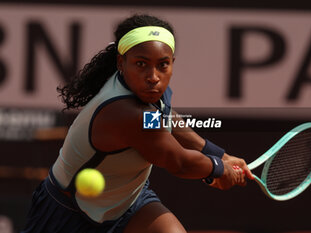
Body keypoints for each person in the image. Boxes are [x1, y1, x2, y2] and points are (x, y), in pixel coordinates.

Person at [21, 14, 254, 233]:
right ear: (122, 62)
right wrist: (218, 169)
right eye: (142, 64)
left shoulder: (148, 91)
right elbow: (178, 162)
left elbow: (167, 118)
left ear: (172, 63)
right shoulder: (127, 114)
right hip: (69, 213)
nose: (153, 76)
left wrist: (219, 155)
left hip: (130, 202)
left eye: (163, 65)